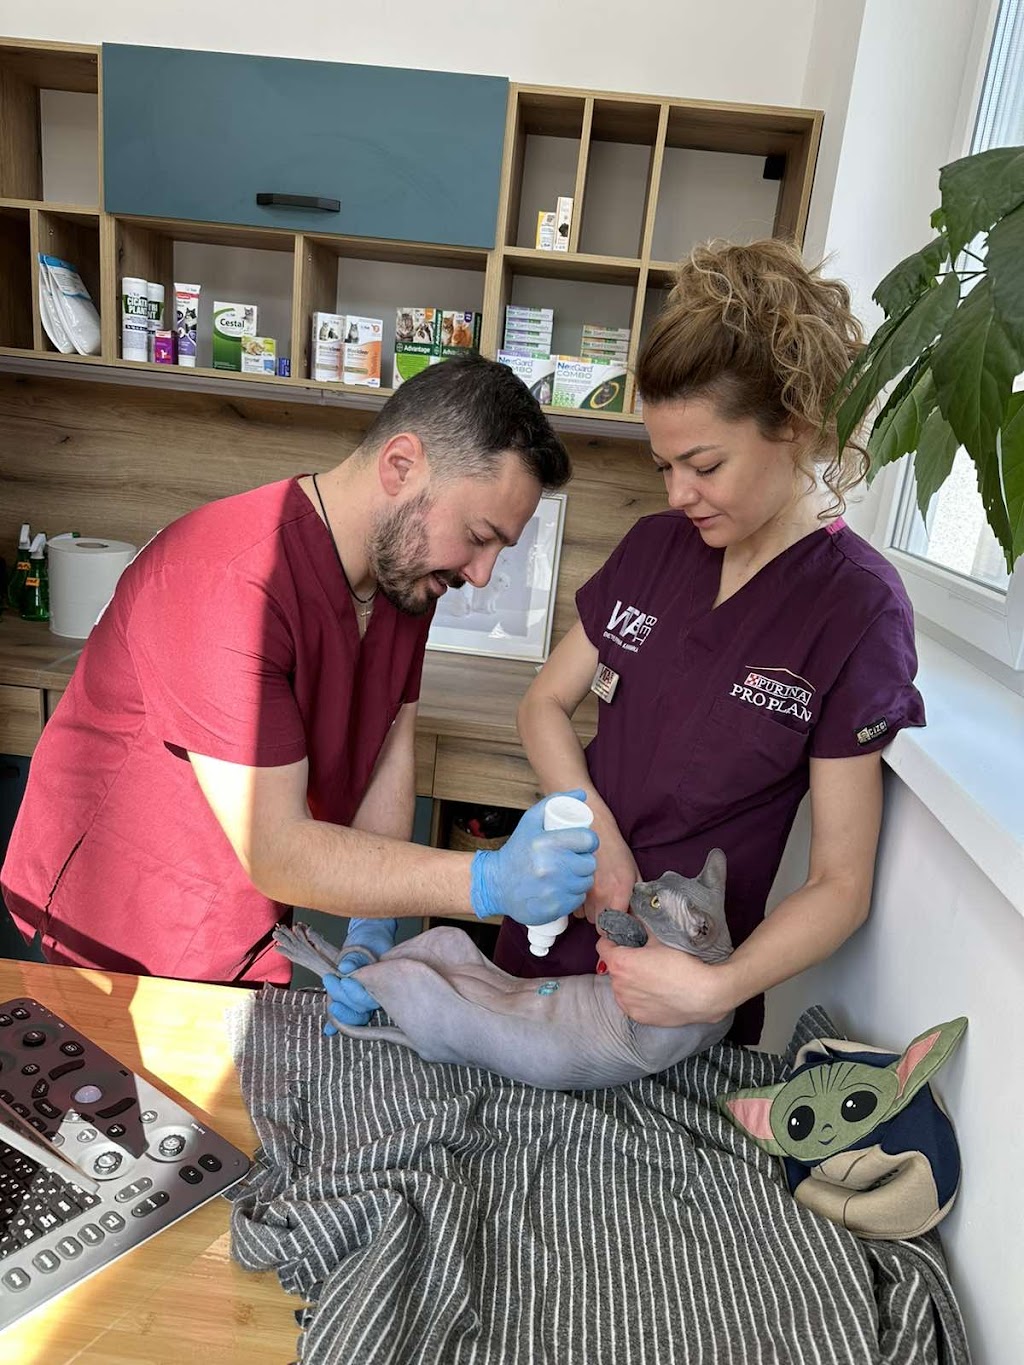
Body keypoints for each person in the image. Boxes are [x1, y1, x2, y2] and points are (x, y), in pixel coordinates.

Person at [1, 357, 598, 997]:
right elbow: (277, 851)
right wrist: (488, 881)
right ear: (401, 466)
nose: (480, 574)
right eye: (479, 536)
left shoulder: (404, 583)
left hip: (248, 914)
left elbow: (387, 760)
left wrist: (371, 927)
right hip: (119, 930)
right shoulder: (228, 580)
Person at [495, 239, 926, 1046]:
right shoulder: (653, 549)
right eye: (664, 466)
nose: (677, 494)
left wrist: (713, 987)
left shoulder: (857, 610)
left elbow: (840, 884)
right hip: (551, 930)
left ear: (793, 425)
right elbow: (542, 704)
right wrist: (598, 833)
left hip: (679, 997)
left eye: (703, 464)